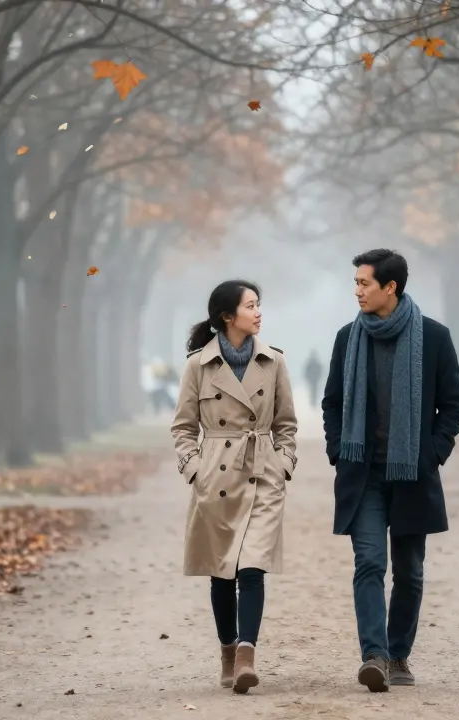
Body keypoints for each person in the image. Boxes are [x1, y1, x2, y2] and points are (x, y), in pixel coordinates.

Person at [321, 249, 459, 692]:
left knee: (410, 571)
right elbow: (332, 402)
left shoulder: (434, 338)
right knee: (368, 562)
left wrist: (431, 454)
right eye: (356, 283)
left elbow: (453, 405)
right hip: (363, 474)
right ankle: (375, 656)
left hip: (412, 475)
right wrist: (337, 451)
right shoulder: (349, 338)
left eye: (365, 283)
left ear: (391, 288)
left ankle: (399, 653)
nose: (358, 291)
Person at [170, 279, 298, 694]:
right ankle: (227, 652)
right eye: (251, 305)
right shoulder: (197, 365)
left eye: (259, 304)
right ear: (228, 316)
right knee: (222, 573)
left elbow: (287, 424)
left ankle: (246, 656)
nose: (259, 312)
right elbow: (183, 427)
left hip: (262, 474)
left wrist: (284, 463)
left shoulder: (274, 361)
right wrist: (195, 470)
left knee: (252, 567)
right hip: (217, 479)